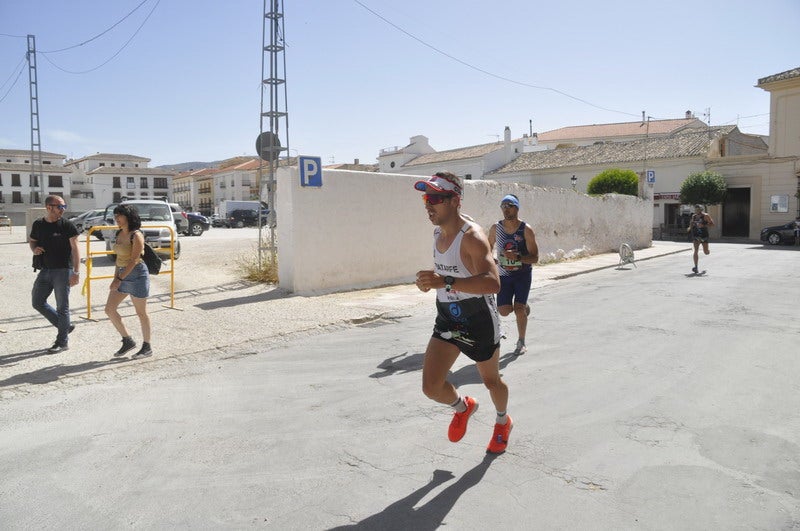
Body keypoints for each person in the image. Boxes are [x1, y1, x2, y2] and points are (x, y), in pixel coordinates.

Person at [413, 171, 513, 454]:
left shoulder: (473, 238)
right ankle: (463, 406)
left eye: (435, 198)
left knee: (491, 381)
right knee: (431, 387)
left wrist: (444, 281)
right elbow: (448, 275)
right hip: (447, 316)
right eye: (425, 198)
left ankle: (503, 422)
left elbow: (493, 283)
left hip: (478, 318)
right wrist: (431, 282)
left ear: (454, 200)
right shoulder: (437, 233)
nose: (428, 205)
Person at [487, 194, 539, 356]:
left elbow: (535, 257)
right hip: (504, 275)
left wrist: (517, 257)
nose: (506, 209)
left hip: (522, 275)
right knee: (503, 310)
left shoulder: (526, 229)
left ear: (516, 207)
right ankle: (523, 307)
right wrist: (491, 260)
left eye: (509, 205)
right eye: (503, 206)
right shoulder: (496, 228)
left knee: (518, 308)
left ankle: (521, 341)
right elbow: (488, 247)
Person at [29, 195, 80, 353]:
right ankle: (64, 325)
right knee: (37, 302)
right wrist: (34, 249)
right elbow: (32, 240)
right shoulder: (38, 224)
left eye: (64, 206)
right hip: (45, 270)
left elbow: (75, 248)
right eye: (60, 207)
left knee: (62, 307)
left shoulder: (67, 225)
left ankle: (62, 341)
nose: (63, 209)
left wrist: (76, 272)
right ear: (48, 207)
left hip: (63, 270)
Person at [104, 204, 153, 359]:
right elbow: (119, 260)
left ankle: (147, 347)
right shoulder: (119, 233)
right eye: (115, 216)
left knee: (141, 313)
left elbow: (133, 260)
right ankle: (128, 340)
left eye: (119, 215)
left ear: (128, 217)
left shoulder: (136, 235)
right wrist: (115, 278)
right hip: (122, 275)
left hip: (137, 275)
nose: (116, 218)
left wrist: (119, 279)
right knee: (109, 310)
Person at [687, 205, 714, 273]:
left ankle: (707, 251)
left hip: (704, 235)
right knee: (695, 251)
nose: (696, 210)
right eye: (696, 209)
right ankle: (696, 267)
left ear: (701, 209)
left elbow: (712, 224)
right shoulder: (694, 216)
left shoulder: (706, 216)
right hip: (696, 235)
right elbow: (691, 222)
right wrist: (690, 227)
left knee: (706, 252)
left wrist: (704, 225)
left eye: (698, 209)